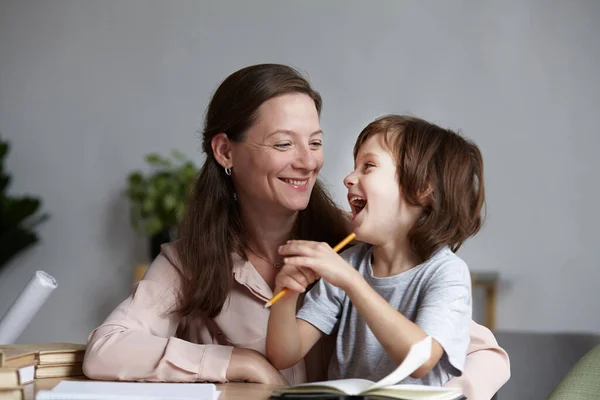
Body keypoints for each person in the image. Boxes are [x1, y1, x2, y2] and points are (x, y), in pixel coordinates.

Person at [82, 64, 510, 399]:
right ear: (226, 151)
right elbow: (106, 350)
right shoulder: (188, 261)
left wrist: (435, 395)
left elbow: (482, 355)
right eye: (284, 144)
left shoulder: (361, 245)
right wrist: (234, 361)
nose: (309, 162)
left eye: (317, 142)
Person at [267, 115, 481, 387]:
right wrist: (286, 295)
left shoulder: (447, 273)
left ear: (421, 187)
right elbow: (284, 355)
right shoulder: (349, 264)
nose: (348, 178)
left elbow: (421, 359)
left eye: (368, 166)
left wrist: (351, 281)